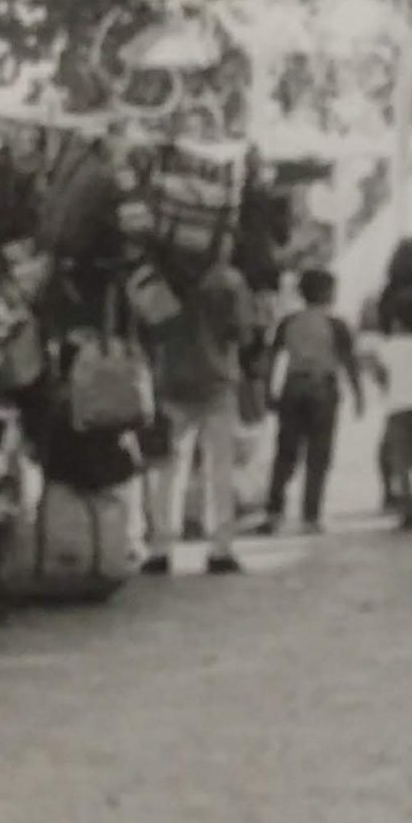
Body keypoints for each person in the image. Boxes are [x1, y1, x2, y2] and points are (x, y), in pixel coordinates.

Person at [143, 237, 249, 577]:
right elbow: (242, 334)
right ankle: (220, 548)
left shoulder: (161, 279)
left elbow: (150, 330)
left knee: (166, 468)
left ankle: (160, 548)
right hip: (218, 381)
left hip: (172, 381)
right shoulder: (228, 282)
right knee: (219, 468)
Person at [260, 268, 365, 536]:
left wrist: (268, 391)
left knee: (286, 452)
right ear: (326, 292)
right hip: (323, 388)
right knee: (319, 453)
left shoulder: (288, 322)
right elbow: (349, 361)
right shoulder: (336, 324)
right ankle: (310, 515)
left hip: (293, 386)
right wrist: (358, 394)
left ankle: (274, 511)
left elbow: (272, 358)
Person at [369, 242, 412, 530]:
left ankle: (397, 494)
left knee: (397, 449)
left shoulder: (388, 293)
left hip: (397, 392)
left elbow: (377, 366)